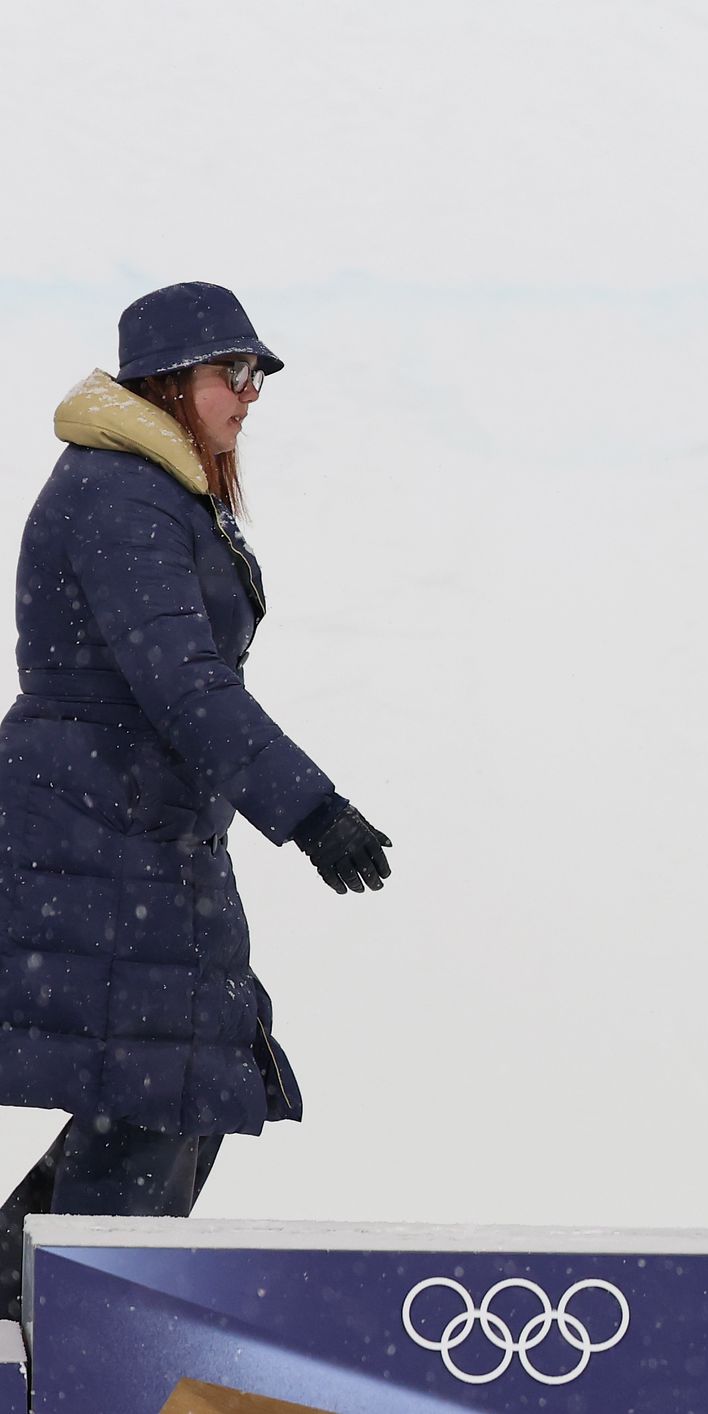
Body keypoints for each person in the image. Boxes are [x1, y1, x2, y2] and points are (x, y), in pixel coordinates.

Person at [0, 283, 394, 1320]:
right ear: (172, 380)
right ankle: (73, 1329)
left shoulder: (154, 490)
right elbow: (184, 680)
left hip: (140, 834)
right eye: (235, 373)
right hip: (97, 833)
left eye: (255, 375)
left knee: (184, 1081)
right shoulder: (119, 494)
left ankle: (29, 1295)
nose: (250, 395)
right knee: (159, 1090)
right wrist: (312, 810)